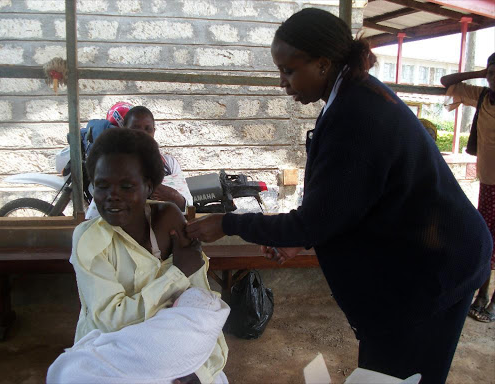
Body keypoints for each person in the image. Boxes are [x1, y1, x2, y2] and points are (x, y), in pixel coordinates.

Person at [186, 8, 492, 384]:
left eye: (289, 70)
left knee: (398, 375)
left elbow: (315, 220)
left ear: (323, 63)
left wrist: (228, 223)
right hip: (424, 256)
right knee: (391, 369)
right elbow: (342, 204)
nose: (282, 83)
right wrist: (302, 237)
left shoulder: (356, 116)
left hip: (433, 268)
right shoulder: (352, 97)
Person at [71, 128, 228, 383]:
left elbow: (202, 307)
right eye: (102, 185)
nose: (112, 195)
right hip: (112, 355)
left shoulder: (169, 220)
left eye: (126, 185)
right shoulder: (90, 241)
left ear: (149, 187)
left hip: (175, 347)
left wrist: (199, 369)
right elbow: (111, 322)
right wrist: (176, 274)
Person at [47, 288, 230, 384]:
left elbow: (131, 340)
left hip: (82, 373)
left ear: (175, 307)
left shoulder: (165, 328)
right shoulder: (206, 337)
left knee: (77, 371)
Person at [441, 53, 495, 323]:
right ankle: (482, 295)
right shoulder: (483, 95)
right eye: (493, 74)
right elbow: (446, 81)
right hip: (489, 180)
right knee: (487, 237)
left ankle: (492, 302)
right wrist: (481, 73)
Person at [85, 103, 193, 219]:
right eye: (135, 128)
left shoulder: (169, 164)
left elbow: (188, 206)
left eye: (148, 129)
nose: (143, 134)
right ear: (124, 130)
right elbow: (96, 214)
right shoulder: (112, 164)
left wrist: (172, 195)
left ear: (154, 131)